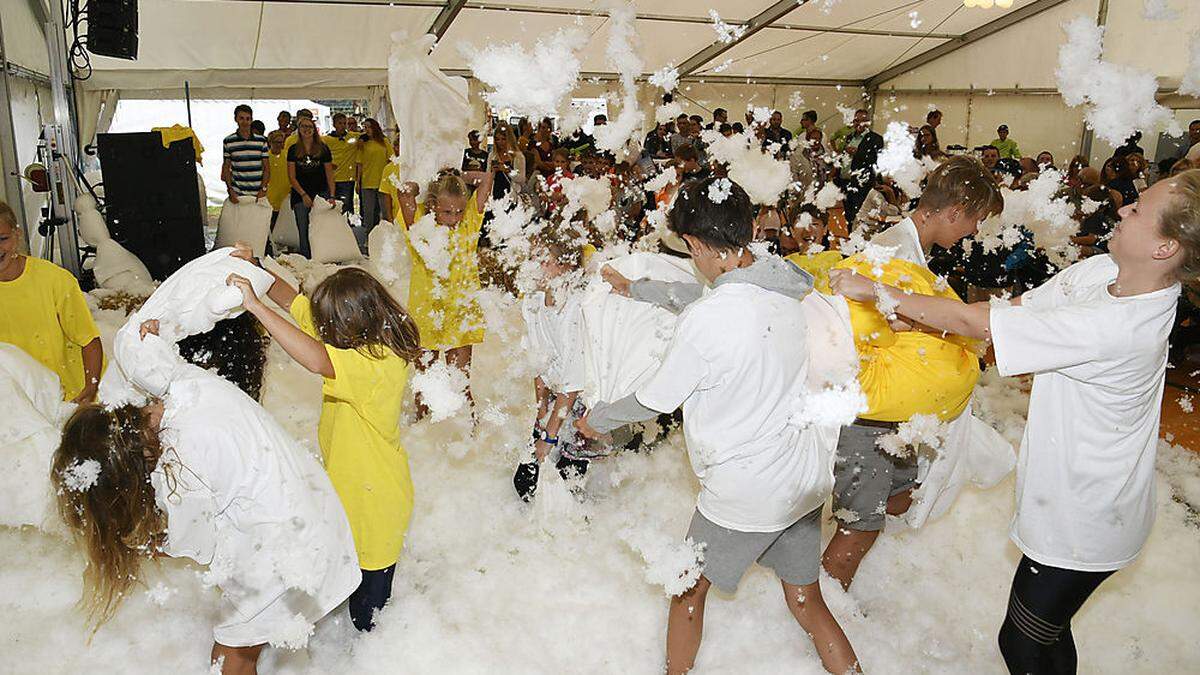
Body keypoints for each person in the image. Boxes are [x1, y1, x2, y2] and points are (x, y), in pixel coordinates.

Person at [829, 169, 1200, 675]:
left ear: (1165, 249)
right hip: (1072, 498)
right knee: (1045, 631)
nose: (1121, 210)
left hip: (1085, 518)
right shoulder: (1099, 275)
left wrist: (879, 292)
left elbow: (978, 326)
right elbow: (1001, 311)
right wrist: (916, 316)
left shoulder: (1118, 328)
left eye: (1137, 211)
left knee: (1023, 643)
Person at [578, 176, 859, 675]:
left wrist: (599, 420)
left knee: (687, 587)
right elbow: (706, 297)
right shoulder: (783, 288)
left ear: (694, 244)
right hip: (802, 478)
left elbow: (655, 397)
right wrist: (637, 289)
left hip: (748, 487)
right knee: (805, 599)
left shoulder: (710, 319)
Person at [53, 319, 360, 673]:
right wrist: (150, 338)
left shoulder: (183, 468)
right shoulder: (183, 387)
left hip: (285, 551)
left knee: (232, 651)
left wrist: (160, 541)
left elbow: (196, 541)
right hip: (311, 504)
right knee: (241, 637)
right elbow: (151, 356)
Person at [821, 155, 1004, 590]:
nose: (974, 232)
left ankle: (839, 591)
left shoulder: (912, 250)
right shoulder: (893, 253)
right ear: (954, 212)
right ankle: (820, 607)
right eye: (975, 220)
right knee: (859, 525)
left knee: (896, 497)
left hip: (895, 409)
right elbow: (857, 327)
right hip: (869, 414)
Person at [228, 254, 421, 633]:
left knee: (368, 613)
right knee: (345, 578)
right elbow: (294, 302)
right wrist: (257, 268)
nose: (321, 331)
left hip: (375, 505)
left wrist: (254, 307)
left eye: (327, 326)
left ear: (350, 325)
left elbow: (316, 360)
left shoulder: (378, 365)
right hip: (353, 494)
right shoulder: (356, 342)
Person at [395, 168, 496, 416]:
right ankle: (424, 434)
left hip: (461, 313)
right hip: (426, 313)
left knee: (459, 382)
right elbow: (404, 193)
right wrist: (424, 179)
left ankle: (469, 435)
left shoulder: (470, 223)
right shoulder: (420, 225)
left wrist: (457, 173)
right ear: (432, 207)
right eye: (447, 212)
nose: (455, 218)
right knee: (426, 385)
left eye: (459, 211)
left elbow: (486, 179)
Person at [512, 224, 597, 500]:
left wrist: (549, 438)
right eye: (533, 257)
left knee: (565, 487)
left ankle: (587, 448)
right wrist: (540, 415)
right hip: (556, 397)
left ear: (564, 267)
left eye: (542, 260)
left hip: (578, 401)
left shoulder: (574, 310)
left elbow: (573, 385)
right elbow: (539, 363)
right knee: (525, 486)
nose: (533, 265)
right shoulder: (534, 302)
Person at [0, 201, 102, 403]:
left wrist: (91, 388)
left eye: (2, 239)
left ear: (17, 234)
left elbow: (88, 339)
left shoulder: (54, 280)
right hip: (15, 404)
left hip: (68, 398)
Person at [286, 116, 336, 258]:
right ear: (299, 129)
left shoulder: (323, 149)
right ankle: (307, 261)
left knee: (321, 230)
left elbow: (329, 175)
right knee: (303, 230)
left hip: (321, 194)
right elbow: (291, 177)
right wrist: (303, 195)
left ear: (314, 129)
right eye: (303, 127)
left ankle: (322, 258)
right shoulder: (293, 149)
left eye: (310, 127)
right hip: (300, 196)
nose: (307, 130)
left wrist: (331, 196)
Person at [222, 104, 269, 204]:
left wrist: (263, 189)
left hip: (258, 195)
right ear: (236, 119)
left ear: (251, 120)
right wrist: (230, 190)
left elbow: (266, 168)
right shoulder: (228, 141)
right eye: (241, 118)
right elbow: (226, 167)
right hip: (238, 195)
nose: (245, 122)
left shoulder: (262, 141)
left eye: (248, 119)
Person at [357, 118, 394, 232]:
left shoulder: (384, 142)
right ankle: (369, 235)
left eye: (369, 127)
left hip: (383, 182)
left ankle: (386, 235)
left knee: (385, 211)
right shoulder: (363, 143)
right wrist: (357, 182)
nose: (367, 129)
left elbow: (391, 160)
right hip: (367, 181)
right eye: (365, 127)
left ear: (375, 127)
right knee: (369, 212)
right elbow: (359, 164)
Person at [326, 112, 361, 215]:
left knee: (346, 208)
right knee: (332, 207)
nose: (342, 126)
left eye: (344, 123)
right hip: (331, 179)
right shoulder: (326, 140)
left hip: (347, 179)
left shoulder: (353, 136)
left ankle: (347, 229)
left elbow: (368, 136)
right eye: (339, 123)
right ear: (334, 124)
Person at [264, 130, 290, 227]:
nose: (280, 144)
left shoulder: (287, 155)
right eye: (277, 142)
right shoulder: (266, 157)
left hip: (286, 194)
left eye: (281, 142)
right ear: (270, 142)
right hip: (271, 196)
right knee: (271, 222)